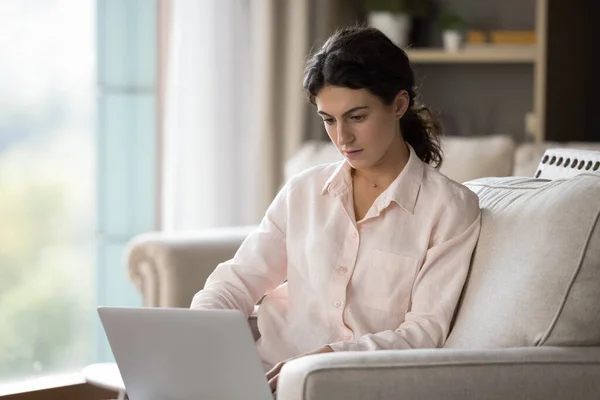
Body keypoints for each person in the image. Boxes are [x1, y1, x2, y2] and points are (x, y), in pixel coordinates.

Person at [190, 25, 481, 394]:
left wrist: (324, 358)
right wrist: (197, 335)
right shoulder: (304, 191)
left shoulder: (449, 208)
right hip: (257, 377)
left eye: (356, 117)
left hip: (348, 385)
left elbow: (424, 331)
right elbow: (236, 281)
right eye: (329, 119)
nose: (342, 138)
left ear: (399, 104)